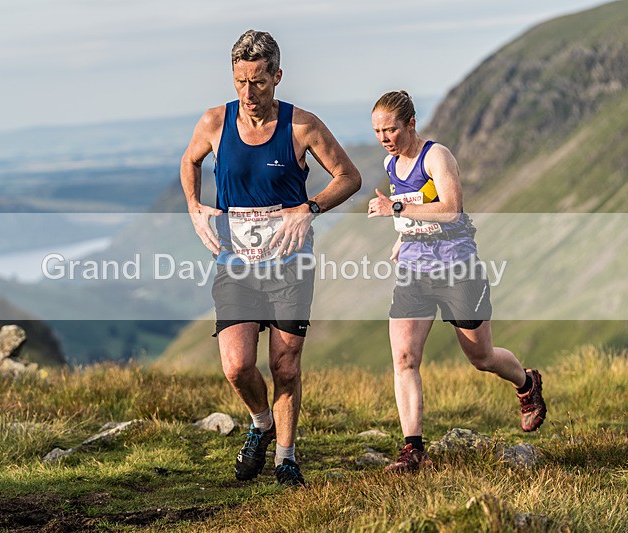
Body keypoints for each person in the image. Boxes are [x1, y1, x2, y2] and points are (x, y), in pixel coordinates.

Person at [180, 30, 361, 486]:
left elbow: (349, 177)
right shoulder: (214, 122)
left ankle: (286, 459)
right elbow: (190, 162)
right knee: (237, 366)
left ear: (277, 76)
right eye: (240, 82)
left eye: (258, 82)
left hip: (289, 265)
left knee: (285, 366)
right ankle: (261, 424)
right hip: (235, 264)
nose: (248, 93)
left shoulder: (302, 126)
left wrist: (310, 207)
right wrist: (195, 208)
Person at [367, 90, 546, 473]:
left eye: (392, 129)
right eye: (379, 131)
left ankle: (527, 383)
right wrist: (403, 235)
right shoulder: (391, 163)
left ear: (411, 124)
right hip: (415, 270)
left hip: (456, 268)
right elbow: (417, 205)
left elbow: (451, 208)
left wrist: (394, 208)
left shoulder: (436, 156)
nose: (385, 138)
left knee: (481, 357)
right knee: (404, 357)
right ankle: (413, 449)